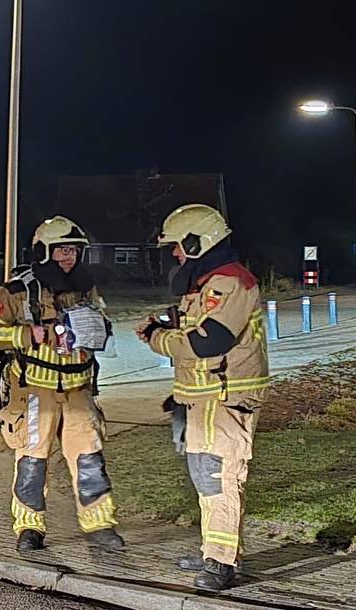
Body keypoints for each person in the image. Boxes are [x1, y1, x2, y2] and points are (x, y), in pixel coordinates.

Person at [137, 204, 269, 591]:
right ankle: (215, 551)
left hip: (226, 402)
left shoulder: (232, 282)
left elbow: (210, 341)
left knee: (219, 479)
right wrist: (167, 321)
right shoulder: (210, 284)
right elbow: (195, 325)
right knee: (205, 477)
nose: (175, 255)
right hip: (205, 400)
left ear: (197, 242)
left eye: (178, 246)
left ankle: (221, 564)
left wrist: (156, 339)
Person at [0, 216, 124, 553]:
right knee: (32, 464)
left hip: (78, 390)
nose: (69, 257)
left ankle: (100, 524)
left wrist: (97, 331)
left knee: (89, 461)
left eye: (73, 250)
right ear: (45, 251)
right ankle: (29, 527)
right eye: (61, 250)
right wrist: (28, 333)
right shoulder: (18, 289)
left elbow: (100, 322)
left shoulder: (86, 286)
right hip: (35, 393)